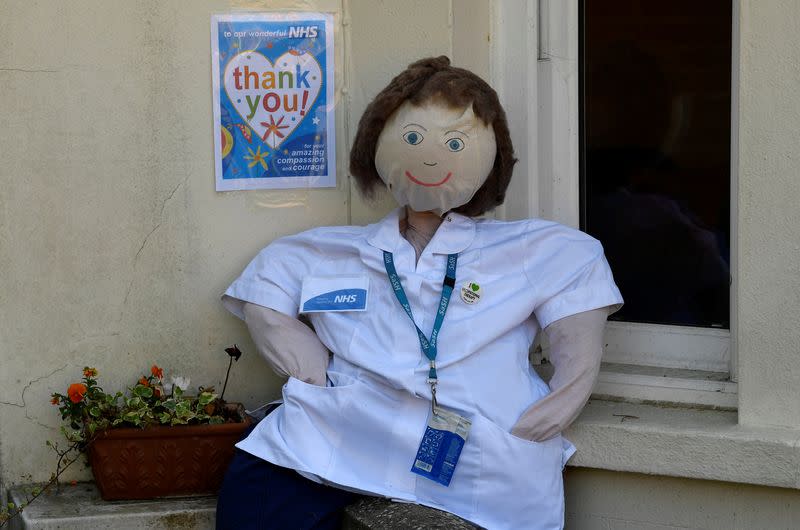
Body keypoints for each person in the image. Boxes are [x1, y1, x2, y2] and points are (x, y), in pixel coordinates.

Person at [217, 56, 622, 530]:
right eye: (413, 138)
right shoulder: (322, 252)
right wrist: (309, 374)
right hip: (342, 433)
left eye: (454, 143)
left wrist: (554, 410)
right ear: (377, 146)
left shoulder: (537, 251)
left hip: (477, 449)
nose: (431, 157)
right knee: (256, 491)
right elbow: (266, 292)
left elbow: (578, 323)